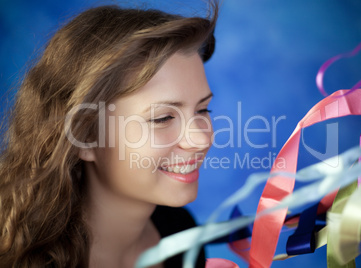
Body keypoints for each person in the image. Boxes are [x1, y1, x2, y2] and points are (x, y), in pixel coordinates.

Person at [0, 2, 218, 267]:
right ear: (84, 136)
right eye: (163, 118)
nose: (201, 140)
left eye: (203, 109)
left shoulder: (180, 234)